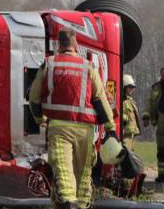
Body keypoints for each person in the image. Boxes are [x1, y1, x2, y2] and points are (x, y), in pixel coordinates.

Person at [28, 29, 118, 209]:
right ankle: (82, 205)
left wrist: (40, 119)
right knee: (83, 175)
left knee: (63, 170)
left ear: (58, 45)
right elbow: (100, 99)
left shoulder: (49, 64)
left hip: (59, 127)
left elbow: (34, 98)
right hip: (85, 129)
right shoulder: (88, 66)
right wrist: (111, 129)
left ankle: (68, 204)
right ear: (76, 46)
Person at [121, 74, 141, 151]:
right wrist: (125, 118)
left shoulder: (130, 101)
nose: (131, 89)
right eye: (130, 87)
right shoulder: (120, 101)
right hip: (125, 135)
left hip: (131, 135)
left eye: (132, 87)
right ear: (124, 88)